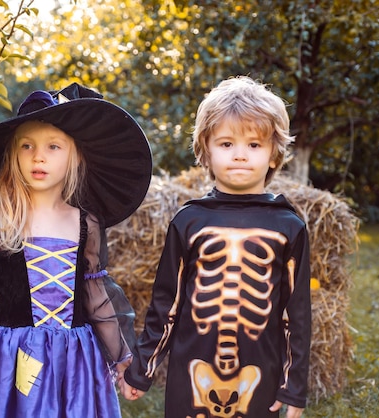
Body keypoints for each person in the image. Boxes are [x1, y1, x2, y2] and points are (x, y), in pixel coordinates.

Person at [0, 82, 152, 417]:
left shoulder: (85, 224)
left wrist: (121, 357)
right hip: (9, 357)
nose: (39, 156)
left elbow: (95, 295)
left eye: (53, 146)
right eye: (27, 146)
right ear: (12, 154)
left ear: (75, 156)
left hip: (73, 361)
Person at [120, 76, 311, 418]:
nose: (240, 155)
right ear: (205, 149)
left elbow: (296, 316)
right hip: (191, 373)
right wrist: (143, 367)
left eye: (254, 145)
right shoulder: (189, 221)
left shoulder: (289, 226)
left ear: (273, 154)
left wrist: (294, 386)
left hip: (259, 374)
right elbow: (166, 304)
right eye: (226, 144)